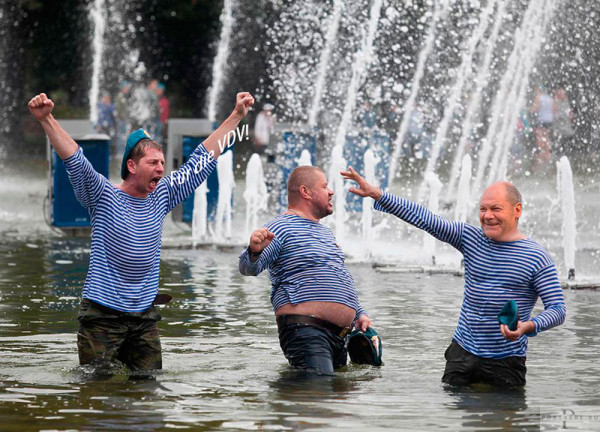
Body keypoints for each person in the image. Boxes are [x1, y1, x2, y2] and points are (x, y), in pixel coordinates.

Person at [28, 91, 254, 371]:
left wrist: (236, 116)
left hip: (143, 318)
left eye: (162, 163)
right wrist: (46, 118)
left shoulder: (162, 195)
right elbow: (75, 158)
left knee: (148, 394)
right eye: (153, 163)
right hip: (101, 316)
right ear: (132, 166)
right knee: (96, 391)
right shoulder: (103, 195)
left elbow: (201, 160)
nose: (161, 168)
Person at [341, 167, 566, 387]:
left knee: (505, 420)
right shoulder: (470, 238)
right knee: (457, 417)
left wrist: (528, 326)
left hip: (506, 360)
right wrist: (379, 195)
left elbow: (557, 309)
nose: (487, 216)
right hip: (461, 353)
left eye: (496, 209)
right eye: (483, 209)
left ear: (517, 210)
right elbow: (426, 219)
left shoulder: (536, 257)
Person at [239, 166, 372, 375]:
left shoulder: (325, 233)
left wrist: (358, 312)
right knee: (315, 397)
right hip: (307, 330)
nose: (331, 192)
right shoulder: (280, 228)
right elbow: (249, 269)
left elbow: (333, 274)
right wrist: (254, 251)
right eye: (325, 186)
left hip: (338, 337)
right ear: (305, 192)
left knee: (332, 402)